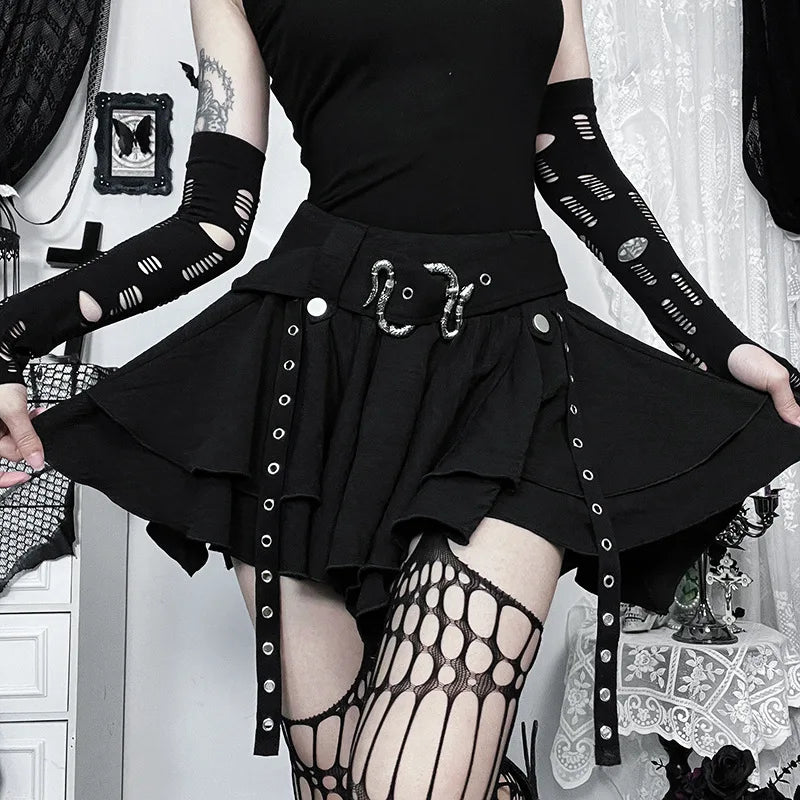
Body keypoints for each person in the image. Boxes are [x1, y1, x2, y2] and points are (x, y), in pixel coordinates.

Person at [2, 0, 800, 797]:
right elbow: (215, 223)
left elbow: (574, 163)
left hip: (507, 380)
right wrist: (9, 334)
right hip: (312, 390)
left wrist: (721, 346)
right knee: (337, 782)